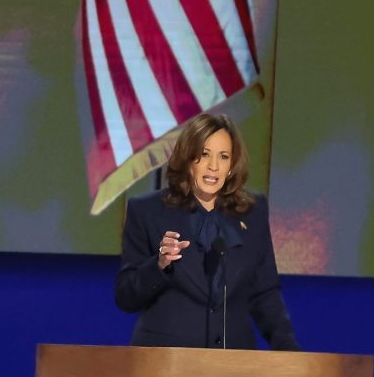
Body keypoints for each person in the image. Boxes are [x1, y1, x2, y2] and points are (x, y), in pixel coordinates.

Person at [115, 113, 300, 351]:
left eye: (223, 157)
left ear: (232, 166)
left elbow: (264, 292)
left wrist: (287, 348)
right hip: (166, 365)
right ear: (187, 159)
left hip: (232, 365)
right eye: (204, 155)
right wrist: (159, 265)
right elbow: (126, 297)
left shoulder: (252, 212)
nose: (213, 166)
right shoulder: (147, 211)